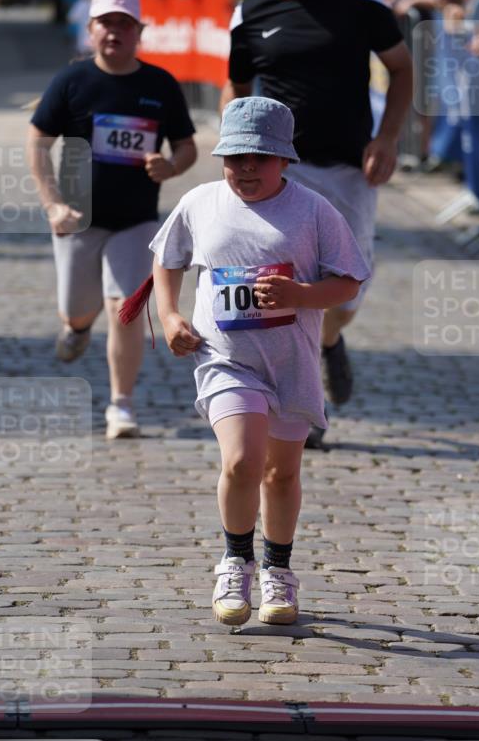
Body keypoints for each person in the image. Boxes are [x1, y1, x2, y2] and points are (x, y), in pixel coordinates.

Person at [150, 97, 370, 626]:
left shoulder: (314, 211)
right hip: (226, 359)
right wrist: (170, 316)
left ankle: (278, 570)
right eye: (236, 157)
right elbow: (167, 257)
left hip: (291, 363)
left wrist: (299, 294)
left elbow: (348, 280)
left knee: (281, 474)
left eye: (260, 158)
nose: (246, 168)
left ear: (285, 161)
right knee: (242, 461)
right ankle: (235, 560)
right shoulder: (201, 203)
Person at [221, 0, 413, 447]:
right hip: (282, 172)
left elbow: (401, 70)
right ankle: (303, 410)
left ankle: (332, 342)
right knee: (285, 288)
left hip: (350, 168)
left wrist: (388, 137)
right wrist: (239, 155)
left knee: (343, 296)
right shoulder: (250, 12)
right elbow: (234, 88)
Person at [27, 0, 197, 439]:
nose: (115, 31)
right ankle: (76, 327)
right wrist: (52, 205)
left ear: (139, 31)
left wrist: (172, 165)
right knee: (78, 308)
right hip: (77, 219)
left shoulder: (160, 85)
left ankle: (121, 405)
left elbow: (186, 146)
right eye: (107, 22)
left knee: (125, 307)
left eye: (125, 23)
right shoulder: (72, 82)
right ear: (92, 29)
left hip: (136, 219)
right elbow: (38, 141)